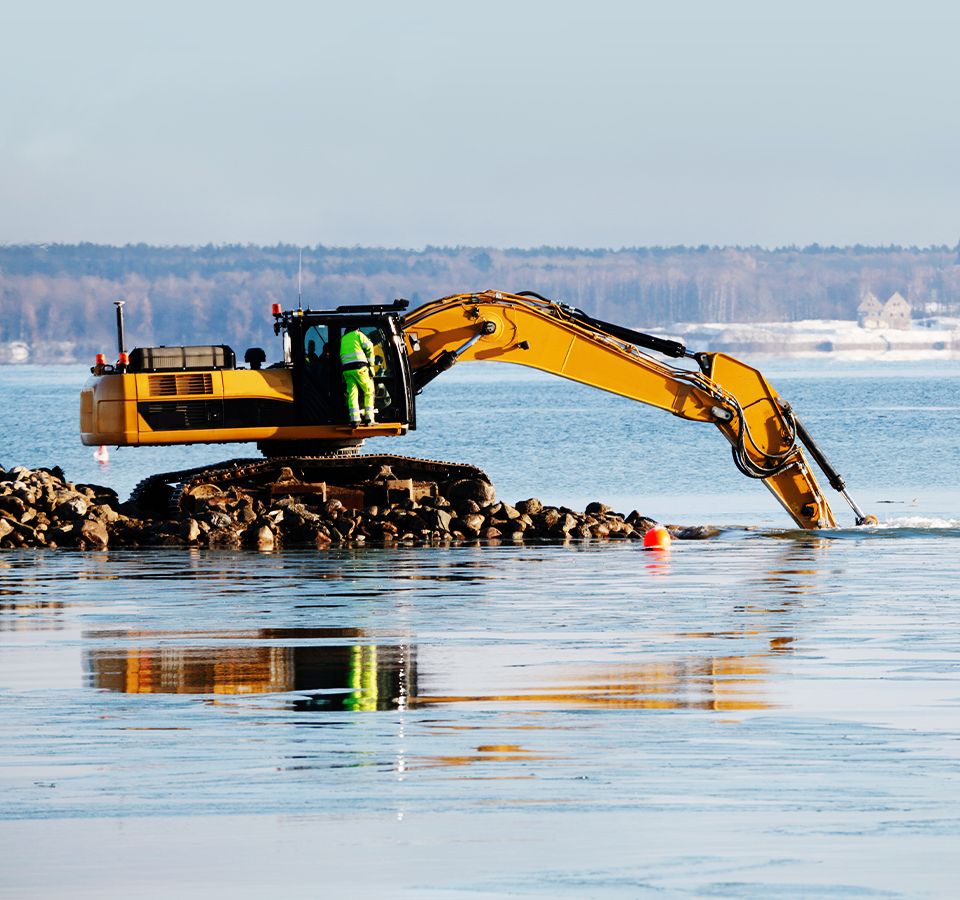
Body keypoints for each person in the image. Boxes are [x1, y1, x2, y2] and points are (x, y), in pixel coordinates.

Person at [339, 327, 376, 426]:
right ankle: (369, 418)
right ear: (357, 329)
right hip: (360, 368)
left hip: (347, 370)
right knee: (369, 391)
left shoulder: (343, 339)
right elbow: (369, 346)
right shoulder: (358, 334)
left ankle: (355, 419)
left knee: (352, 394)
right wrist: (371, 364)